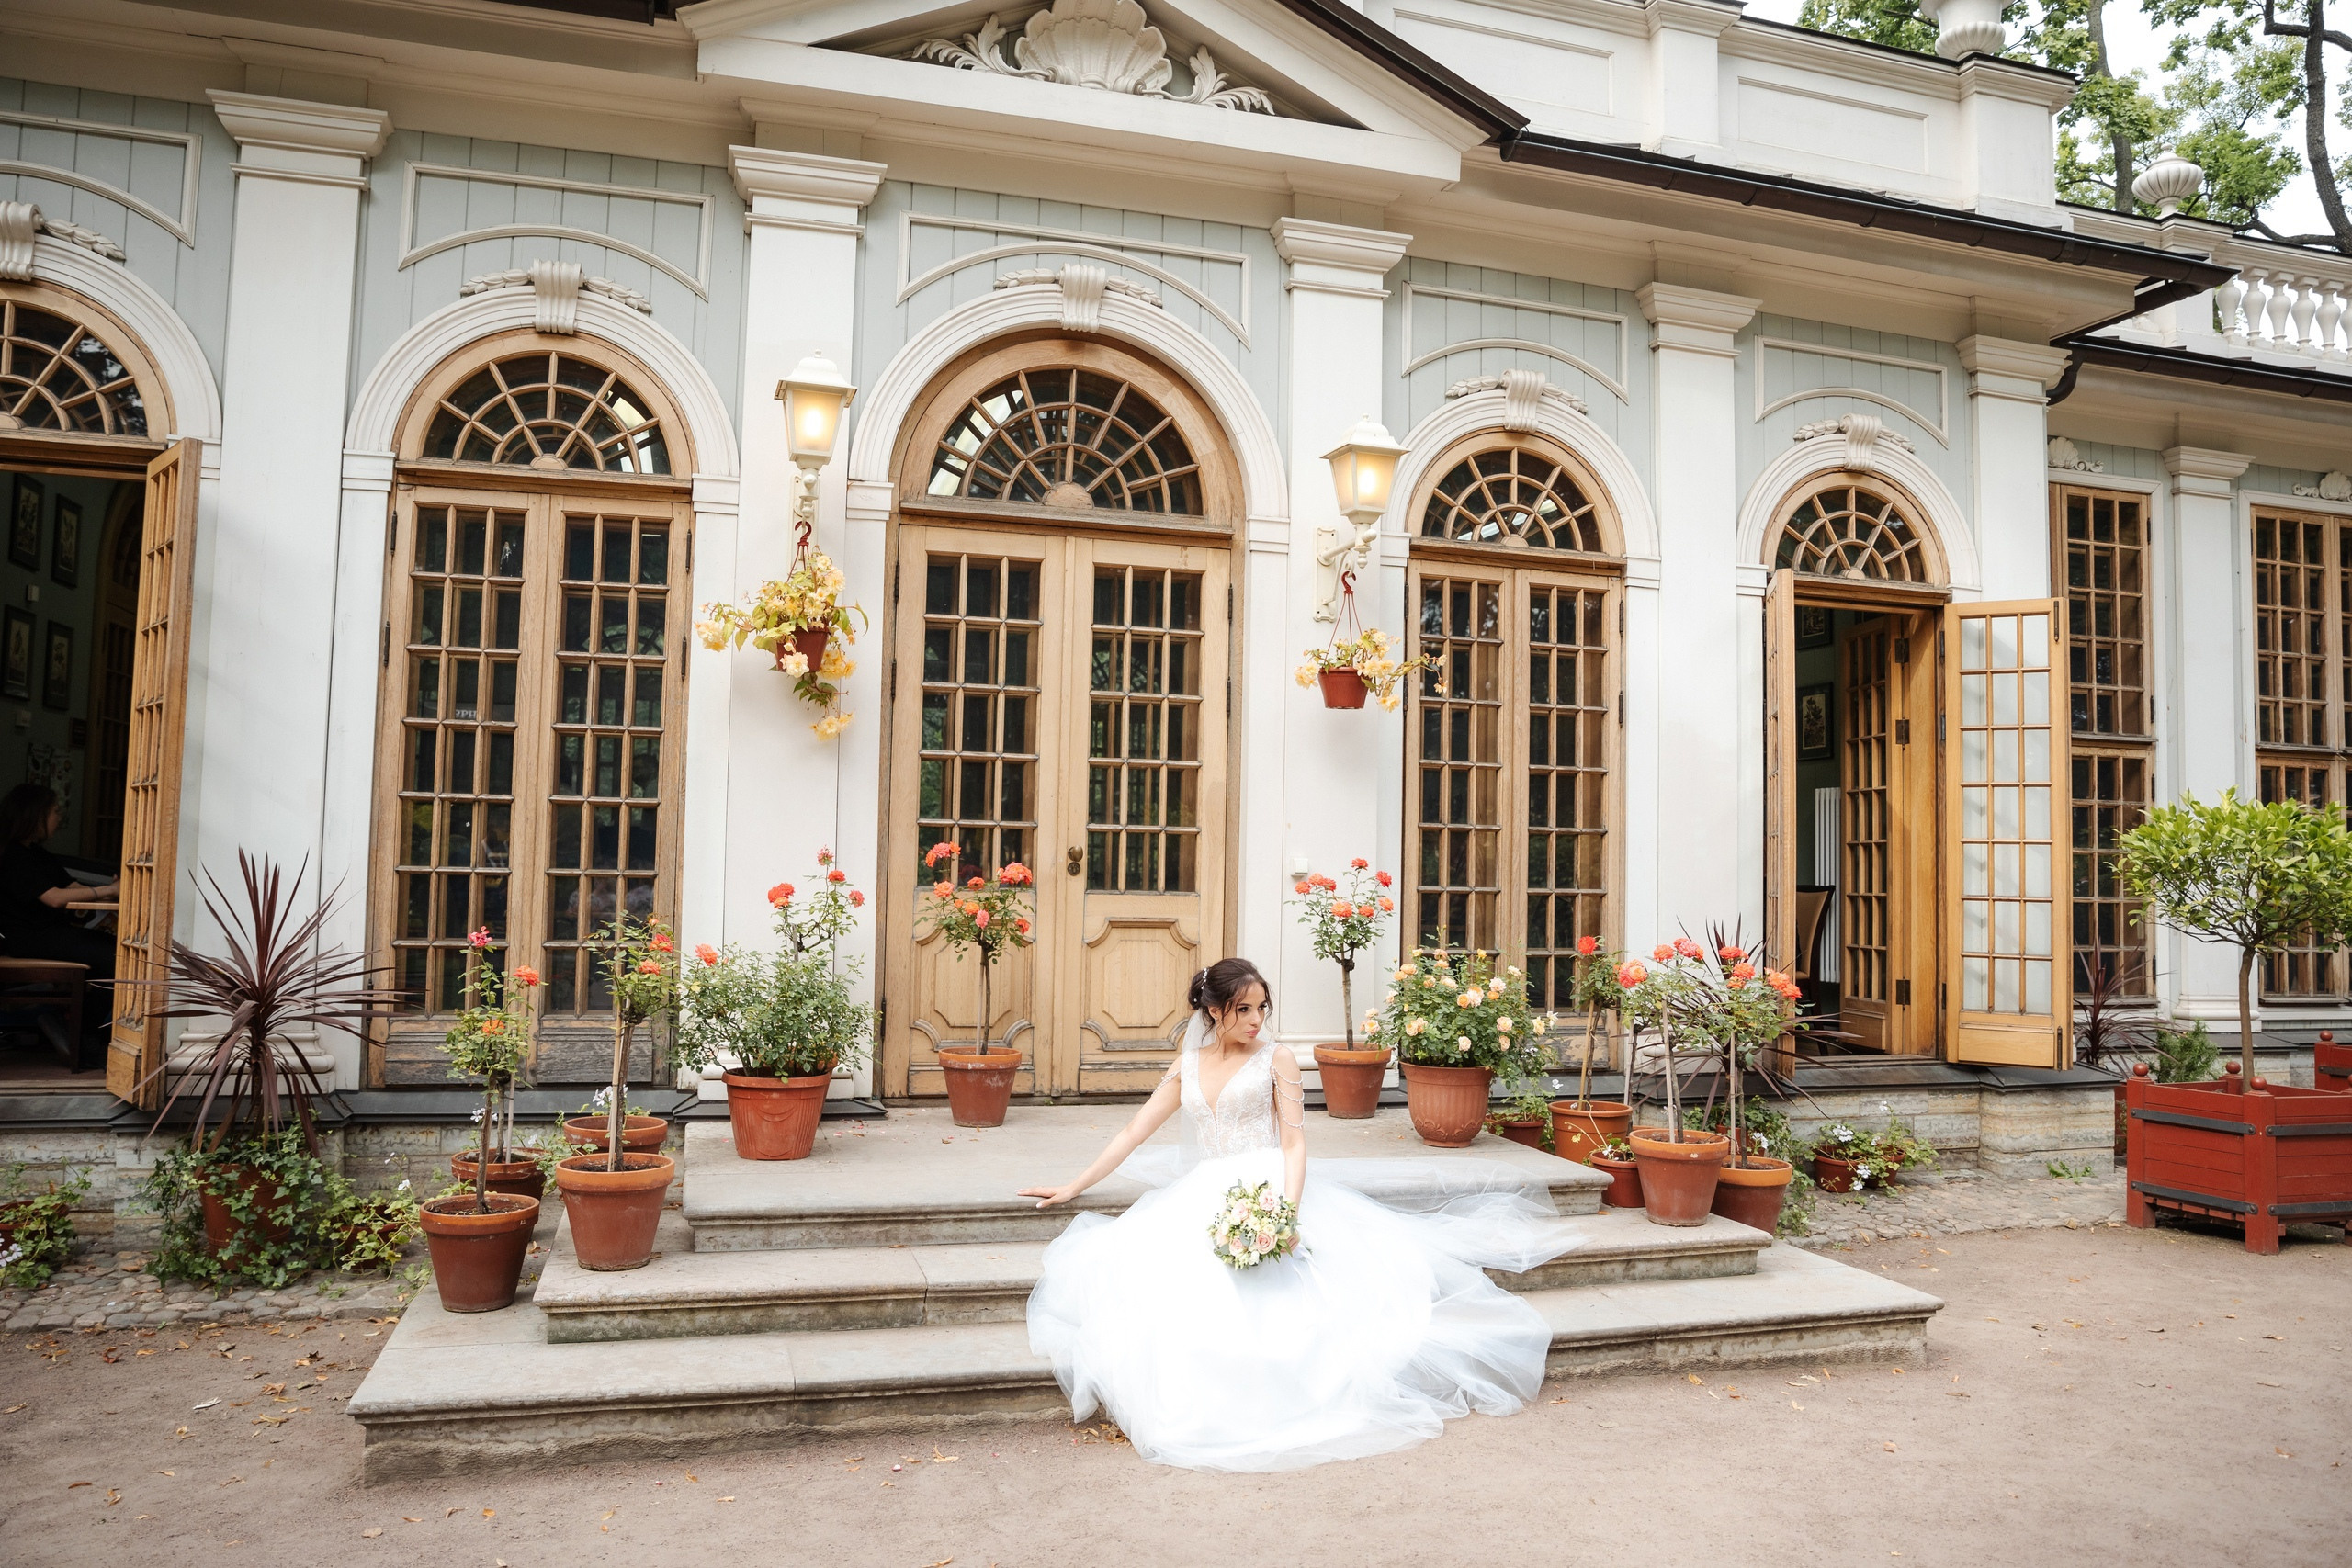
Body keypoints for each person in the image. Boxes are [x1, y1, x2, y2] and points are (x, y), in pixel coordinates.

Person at [1019, 957, 1583, 1472]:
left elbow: (1294, 1143)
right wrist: (1074, 1185)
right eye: (1244, 1009)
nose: (1257, 1019)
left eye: (1263, 1007)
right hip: (1202, 1194)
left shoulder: (1277, 1058)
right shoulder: (1188, 1064)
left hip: (1268, 1186)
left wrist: (1285, 1214)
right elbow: (1132, 1132)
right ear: (1214, 1010)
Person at [0, 784, 119, 1052]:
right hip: (30, 938)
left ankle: (78, 1029)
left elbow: (71, 888)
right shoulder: (14, 855)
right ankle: (83, 1035)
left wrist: (108, 895)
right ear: (34, 815)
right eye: (54, 811)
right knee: (114, 958)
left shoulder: (37, 854)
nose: (59, 817)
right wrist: (109, 889)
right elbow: (53, 897)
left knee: (114, 952)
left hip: (50, 933)